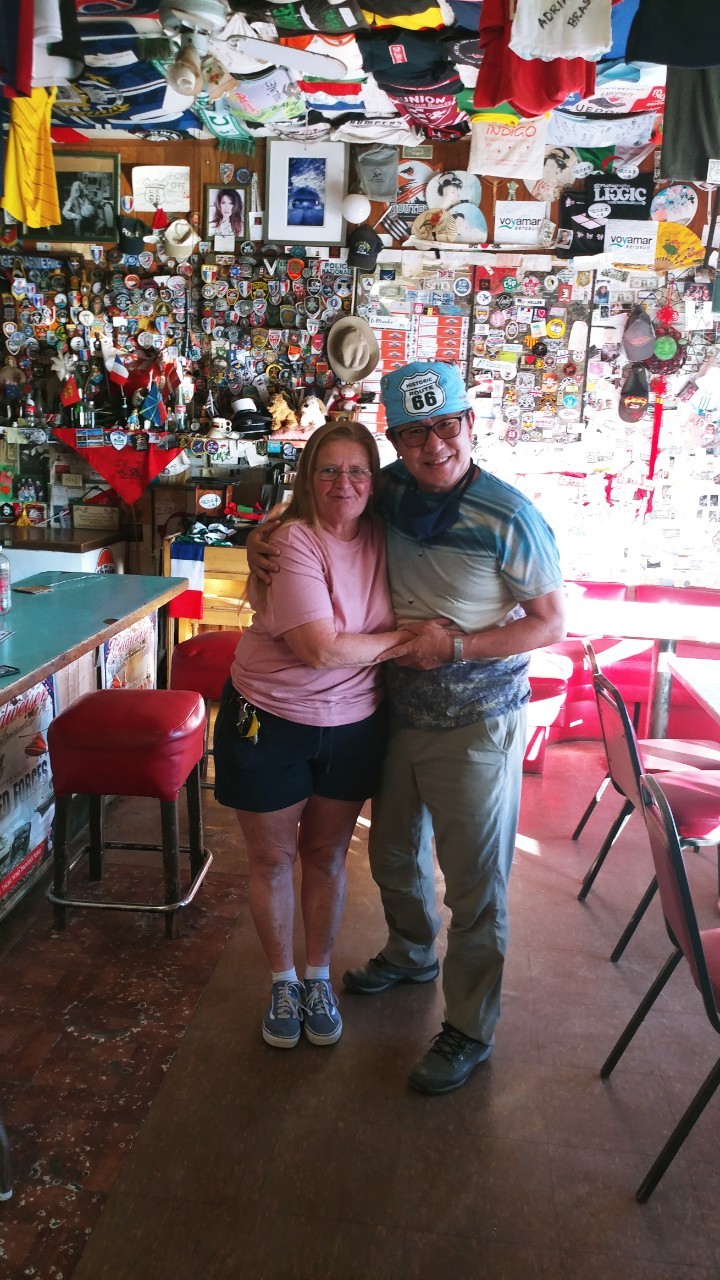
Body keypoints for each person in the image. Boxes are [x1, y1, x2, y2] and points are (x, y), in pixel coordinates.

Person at [248, 361, 566, 1094]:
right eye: (414, 434)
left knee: (476, 885)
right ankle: (413, 952)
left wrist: (457, 647)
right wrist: (264, 536)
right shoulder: (386, 489)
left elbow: (550, 624)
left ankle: (469, 1027)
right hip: (391, 710)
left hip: (476, 721)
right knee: (392, 855)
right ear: (394, 442)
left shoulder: (510, 516)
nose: (433, 446)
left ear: (470, 425)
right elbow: (319, 506)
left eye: (445, 426)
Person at [213, 418, 412, 1052]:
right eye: (328, 470)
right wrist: (408, 641)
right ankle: (283, 981)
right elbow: (319, 649)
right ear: (307, 478)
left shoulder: (386, 532)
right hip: (268, 718)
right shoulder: (291, 538)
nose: (343, 483)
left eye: (357, 471)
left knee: (326, 856)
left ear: (375, 480)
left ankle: (318, 977)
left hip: (352, 725)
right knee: (273, 858)